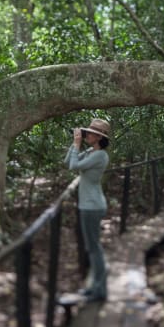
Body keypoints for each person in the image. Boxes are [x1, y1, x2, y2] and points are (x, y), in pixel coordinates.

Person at [64, 118, 111, 302]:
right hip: (89, 204)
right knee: (92, 248)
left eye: (90, 133)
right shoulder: (91, 151)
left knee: (94, 248)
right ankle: (95, 288)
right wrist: (74, 144)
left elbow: (75, 166)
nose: (87, 135)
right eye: (87, 132)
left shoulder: (100, 156)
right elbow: (69, 162)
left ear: (99, 137)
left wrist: (77, 144)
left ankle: (99, 290)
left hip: (92, 206)